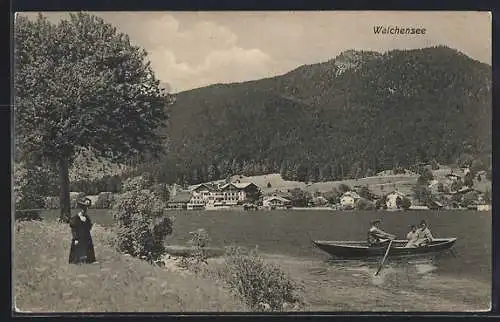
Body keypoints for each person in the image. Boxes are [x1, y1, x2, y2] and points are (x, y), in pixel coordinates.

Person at [68, 197, 97, 264]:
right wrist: (75, 238)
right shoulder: (75, 218)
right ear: (80, 209)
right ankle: (76, 261)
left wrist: (86, 228)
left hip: (86, 236)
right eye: (83, 208)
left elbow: (90, 226)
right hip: (78, 236)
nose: (84, 210)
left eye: (86, 208)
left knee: (88, 247)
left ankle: (89, 260)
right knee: (77, 248)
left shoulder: (87, 218)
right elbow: (73, 229)